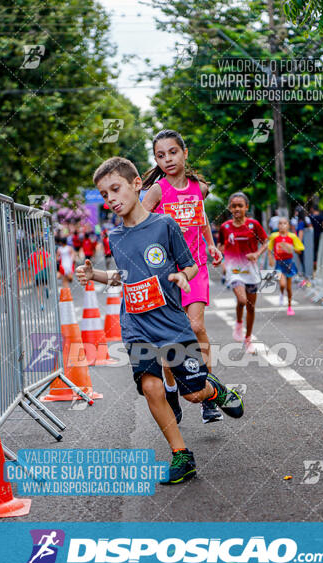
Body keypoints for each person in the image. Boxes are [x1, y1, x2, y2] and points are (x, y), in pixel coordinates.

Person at [76, 156, 244, 485]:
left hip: (171, 323)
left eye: (115, 189)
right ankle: (182, 455)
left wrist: (183, 277)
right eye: (104, 193)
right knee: (151, 387)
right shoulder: (115, 237)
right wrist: (93, 274)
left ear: (137, 184)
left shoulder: (165, 225)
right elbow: (124, 277)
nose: (110, 198)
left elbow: (191, 265)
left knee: (192, 394)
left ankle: (213, 391)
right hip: (136, 325)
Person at [141, 129, 224, 425]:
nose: (168, 159)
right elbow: (140, 222)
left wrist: (211, 244)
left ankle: (207, 391)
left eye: (173, 152)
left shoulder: (197, 188)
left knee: (195, 324)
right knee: (170, 340)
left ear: (185, 153)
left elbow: (200, 219)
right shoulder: (157, 191)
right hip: (167, 273)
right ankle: (172, 389)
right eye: (160, 155)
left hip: (196, 267)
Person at [218, 192, 268, 353]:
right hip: (234, 270)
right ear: (229, 208)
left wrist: (257, 254)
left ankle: (248, 339)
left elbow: (266, 242)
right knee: (242, 299)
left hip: (251, 270)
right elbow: (221, 246)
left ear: (246, 207)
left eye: (240, 205)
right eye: (234, 206)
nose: (237, 208)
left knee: (251, 307)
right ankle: (239, 323)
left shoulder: (254, 225)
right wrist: (223, 262)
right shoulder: (225, 227)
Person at [268, 217, 304, 316]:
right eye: (280, 223)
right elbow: (269, 248)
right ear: (278, 226)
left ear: (288, 225)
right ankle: (281, 293)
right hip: (279, 263)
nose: (282, 225)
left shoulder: (292, 236)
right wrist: (270, 258)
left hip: (289, 263)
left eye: (284, 223)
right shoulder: (274, 236)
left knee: (289, 287)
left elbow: (300, 250)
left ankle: (289, 306)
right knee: (282, 284)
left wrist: (291, 248)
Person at [308, 203, 323, 267]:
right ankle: (321, 261)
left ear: (312, 209)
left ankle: (314, 261)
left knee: (313, 248)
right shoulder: (321, 216)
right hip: (320, 235)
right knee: (320, 248)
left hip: (312, 235)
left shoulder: (310, 217)